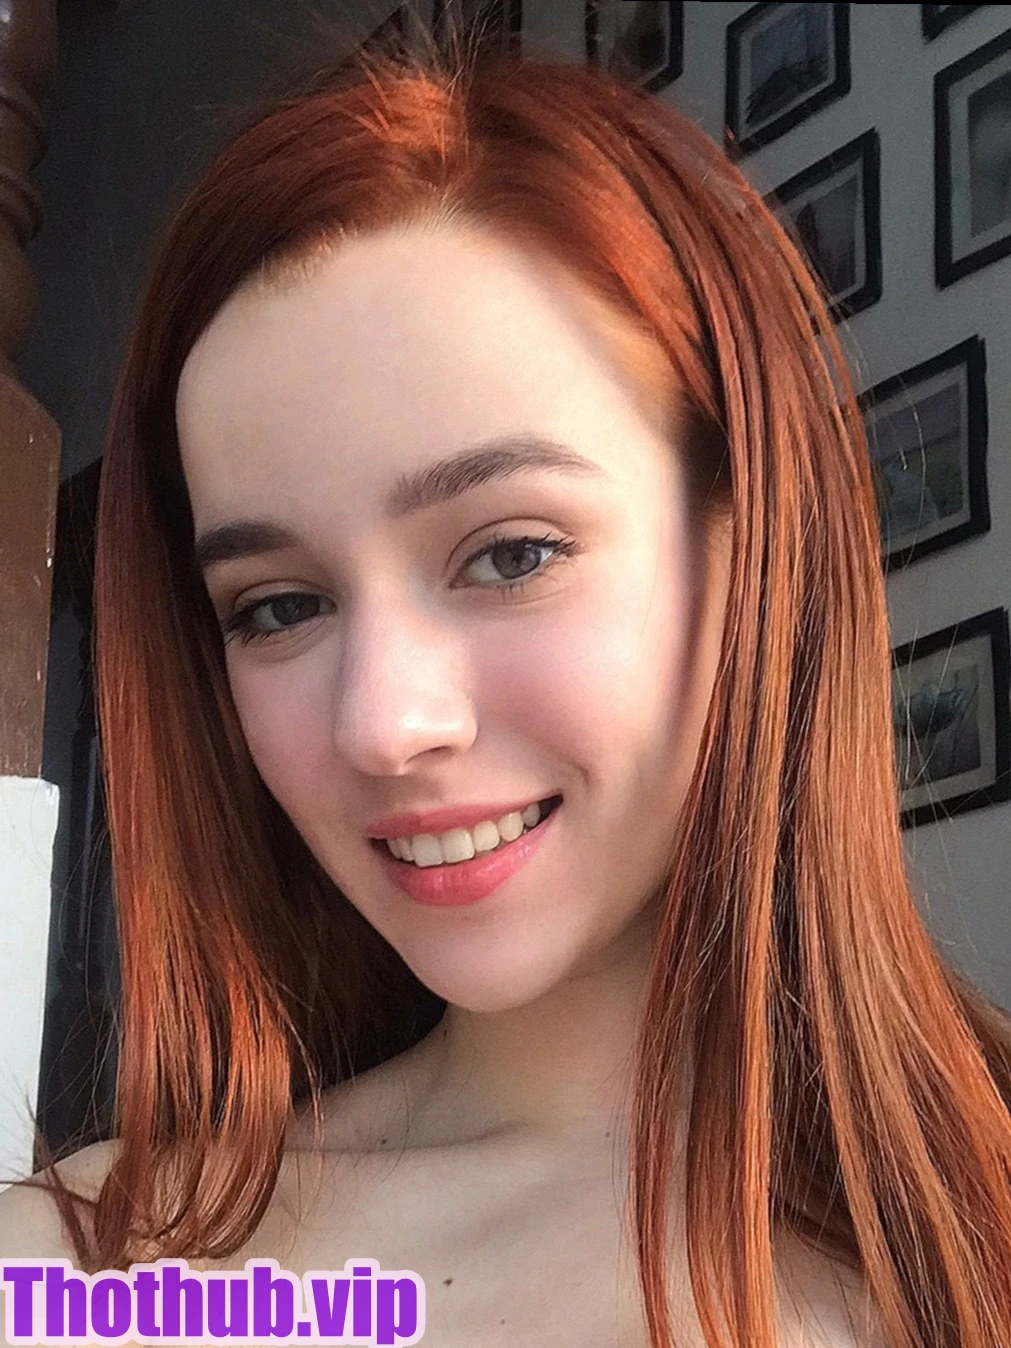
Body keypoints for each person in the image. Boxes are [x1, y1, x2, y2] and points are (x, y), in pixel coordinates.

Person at [3, 15, 1011, 1348]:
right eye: (280, 607)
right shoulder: (86, 1269)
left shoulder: (966, 1226)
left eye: (512, 553)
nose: (384, 725)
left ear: (751, 545)